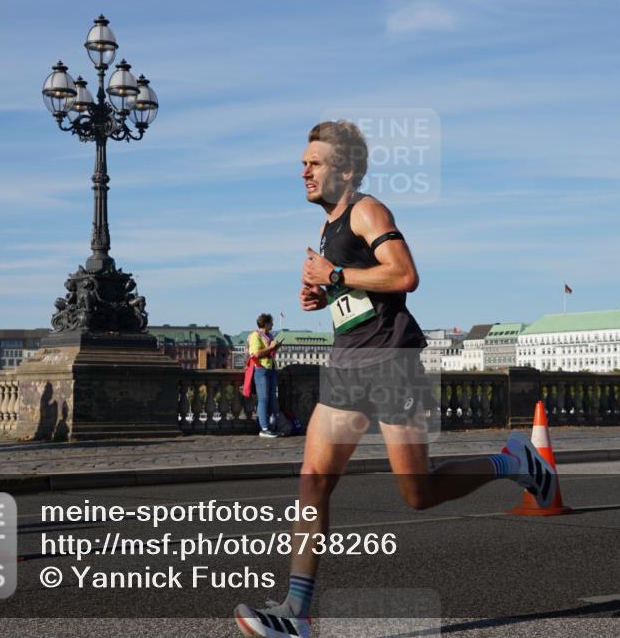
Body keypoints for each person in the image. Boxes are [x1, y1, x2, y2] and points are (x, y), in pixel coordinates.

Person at [234, 122, 558, 638]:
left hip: (390, 363)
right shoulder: (329, 227)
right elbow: (363, 295)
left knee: (419, 492)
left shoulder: (367, 210)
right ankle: (297, 613)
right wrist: (327, 298)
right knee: (314, 480)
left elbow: (404, 275)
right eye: (303, 162)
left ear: (345, 170)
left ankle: (515, 461)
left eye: (314, 163)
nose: (304, 171)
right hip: (345, 364)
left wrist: (334, 276)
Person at [247, 314, 283, 438]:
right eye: (271, 323)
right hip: (261, 369)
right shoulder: (255, 336)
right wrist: (271, 347)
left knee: (272, 398)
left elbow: (269, 352)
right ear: (266, 323)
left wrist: (275, 348)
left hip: (271, 368)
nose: (273, 325)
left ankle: (272, 427)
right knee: (263, 399)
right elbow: (256, 354)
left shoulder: (269, 335)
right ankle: (264, 428)